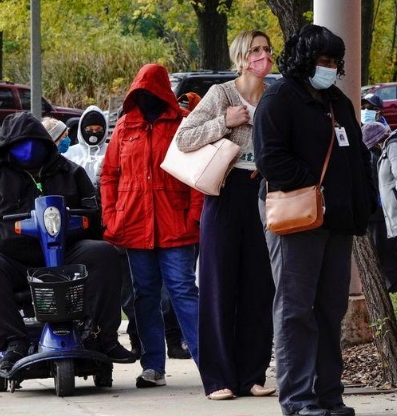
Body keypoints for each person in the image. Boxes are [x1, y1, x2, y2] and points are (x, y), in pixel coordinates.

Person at [253, 25, 376, 416]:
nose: (331, 67)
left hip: (337, 221)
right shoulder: (278, 99)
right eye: (324, 60)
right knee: (295, 310)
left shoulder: (337, 100)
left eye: (335, 61)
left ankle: (328, 396)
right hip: (296, 219)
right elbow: (271, 160)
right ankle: (299, 400)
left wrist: (360, 206)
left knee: (329, 310)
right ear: (305, 59)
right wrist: (316, 187)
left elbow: (356, 157)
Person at [0, 112, 136, 377]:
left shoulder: (70, 171)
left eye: (35, 142)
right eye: (20, 144)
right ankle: (13, 344)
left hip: (64, 254)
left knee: (103, 253)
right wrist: (3, 236)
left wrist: (77, 224)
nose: (29, 150)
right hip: (12, 258)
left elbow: (93, 215)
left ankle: (102, 336)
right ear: (7, 146)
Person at [175, 30, 276, 401]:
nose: (263, 56)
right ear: (240, 56)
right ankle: (218, 378)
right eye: (255, 50)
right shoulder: (222, 94)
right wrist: (226, 122)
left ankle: (253, 373)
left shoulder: (273, 96)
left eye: (266, 49)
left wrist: (269, 167)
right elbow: (184, 138)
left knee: (258, 286)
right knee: (218, 285)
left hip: (262, 194)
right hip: (223, 192)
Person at [100, 63, 202, 388]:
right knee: (144, 296)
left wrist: (194, 216)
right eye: (140, 91)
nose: (145, 97)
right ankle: (153, 366)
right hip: (134, 224)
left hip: (176, 223)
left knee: (183, 291)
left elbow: (197, 174)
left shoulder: (182, 124)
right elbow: (109, 175)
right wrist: (112, 217)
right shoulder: (124, 127)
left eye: (151, 91)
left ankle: (210, 363)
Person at [363, 122, 397, 293]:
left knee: (387, 252)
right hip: (387, 215)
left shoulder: (390, 148)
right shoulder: (382, 151)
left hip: (388, 215)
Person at [65, 105, 108, 187]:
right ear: (82, 129)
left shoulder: (111, 151)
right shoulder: (69, 153)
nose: (94, 133)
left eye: (98, 130)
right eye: (89, 130)